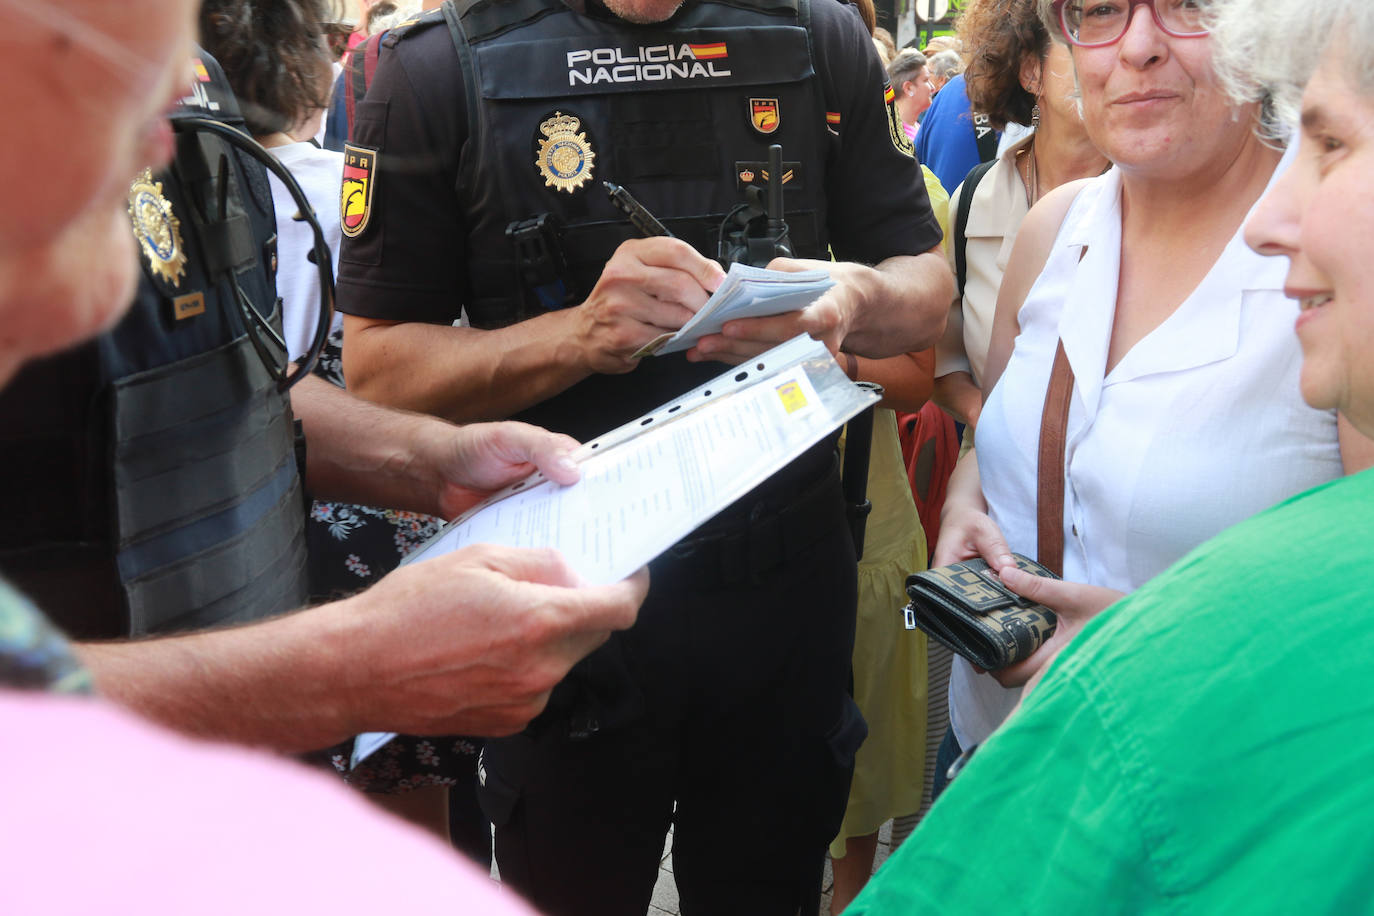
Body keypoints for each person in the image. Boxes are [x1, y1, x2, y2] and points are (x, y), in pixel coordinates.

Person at [0, 0, 625, 908]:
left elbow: (240, 381)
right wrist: (338, 670)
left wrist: (433, 459)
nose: (99, 298)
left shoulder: (196, 95)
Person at [334, 0, 953, 911]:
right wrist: (575, 336)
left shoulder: (817, 37)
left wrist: (845, 298)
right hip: (562, 593)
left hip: (783, 588)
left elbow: (926, 292)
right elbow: (379, 370)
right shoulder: (440, 65)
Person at [847, 0, 1374, 907]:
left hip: (1199, 830)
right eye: (1098, 10)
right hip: (991, 762)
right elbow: (1000, 422)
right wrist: (972, 500)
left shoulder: (1334, 272)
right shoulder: (1054, 229)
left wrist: (1151, 657)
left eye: (1186, 7)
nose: (1135, 45)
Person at [933, 0, 1108, 429]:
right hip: (991, 479)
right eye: (1078, 40)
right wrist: (984, 417)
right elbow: (944, 359)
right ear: (1031, 72)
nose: (1101, 63)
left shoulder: (1154, 199)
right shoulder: (975, 199)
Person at [886, 48, 935, 141]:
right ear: (908, 88)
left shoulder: (917, 127)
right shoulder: (894, 137)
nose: (933, 88)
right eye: (926, 80)